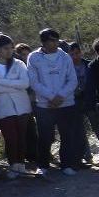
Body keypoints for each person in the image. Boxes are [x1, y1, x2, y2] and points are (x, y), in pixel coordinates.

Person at [27, 28, 80, 176]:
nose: (55, 43)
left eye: (57, 40)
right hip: (45, 105)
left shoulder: (65, 57)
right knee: (45, 136)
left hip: (66, 103)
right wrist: (51, 97)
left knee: (67, 135)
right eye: (51, 40)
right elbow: (34, 82)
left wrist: (60, 96)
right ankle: (43, 165)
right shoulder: (33, 57)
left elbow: (72, 80)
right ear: (43, 42)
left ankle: (66, 165)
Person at [0, 34, 33, 178]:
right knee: (11, 137)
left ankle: (21, 165)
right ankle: (13, 166)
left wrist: (1, 81)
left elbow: (25, 83)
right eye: (5, 48)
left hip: (22, 106)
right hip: (3, 107)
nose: (9, 51)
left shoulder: (19, 64)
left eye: (11, 48)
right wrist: (13, 86)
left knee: (22, 136)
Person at [68, 42, 99, 165]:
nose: (75, 56)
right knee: (80, 130)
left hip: (89, 99)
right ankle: (86, 156)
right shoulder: (67, 67)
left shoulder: (89, 64)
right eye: (72, 54)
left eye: (77, 53)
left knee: (97, 126)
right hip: (74, 100)